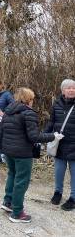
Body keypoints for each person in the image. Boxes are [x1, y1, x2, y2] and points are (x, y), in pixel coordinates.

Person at [0, 87, 61, 223]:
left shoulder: (8, 112)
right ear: (28, 100)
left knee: (12, 175)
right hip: (22, 154)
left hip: (9, 151)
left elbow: (1, 133)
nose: (33, 101)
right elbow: (34, 136)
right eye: (32, 99)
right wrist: (53, 136)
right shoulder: (28, 113)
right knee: (21, 181)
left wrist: (2, 150)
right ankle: (17, 213)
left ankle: (7, 202)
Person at [44, 79, 75, 211]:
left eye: (73, 88)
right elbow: (51, 122)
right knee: (58, 171)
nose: (72, 90)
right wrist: (44, 136)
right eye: (69, 88)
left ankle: (73, 198)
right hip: (60, 144)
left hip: (74, 145)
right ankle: (58, 193)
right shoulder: (56, 104)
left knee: (74, 173)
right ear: (62, 91)